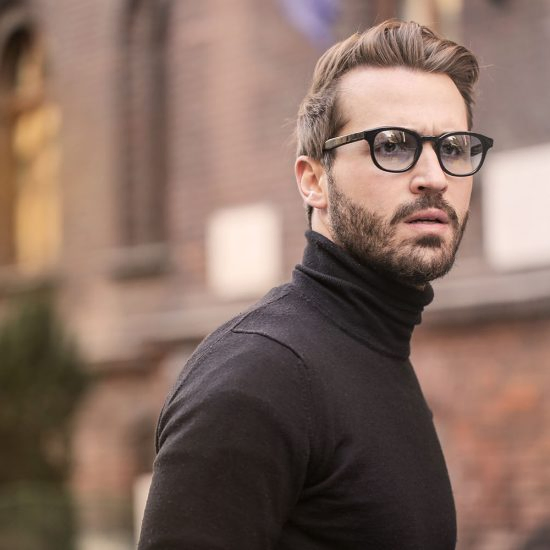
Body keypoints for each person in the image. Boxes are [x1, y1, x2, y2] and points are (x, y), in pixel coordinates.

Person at [138, 19, 493, 550]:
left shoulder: (375, 351)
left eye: (455, 147)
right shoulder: (260, 376)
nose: (435, 177)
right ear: (314, 180)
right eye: (393, 145)